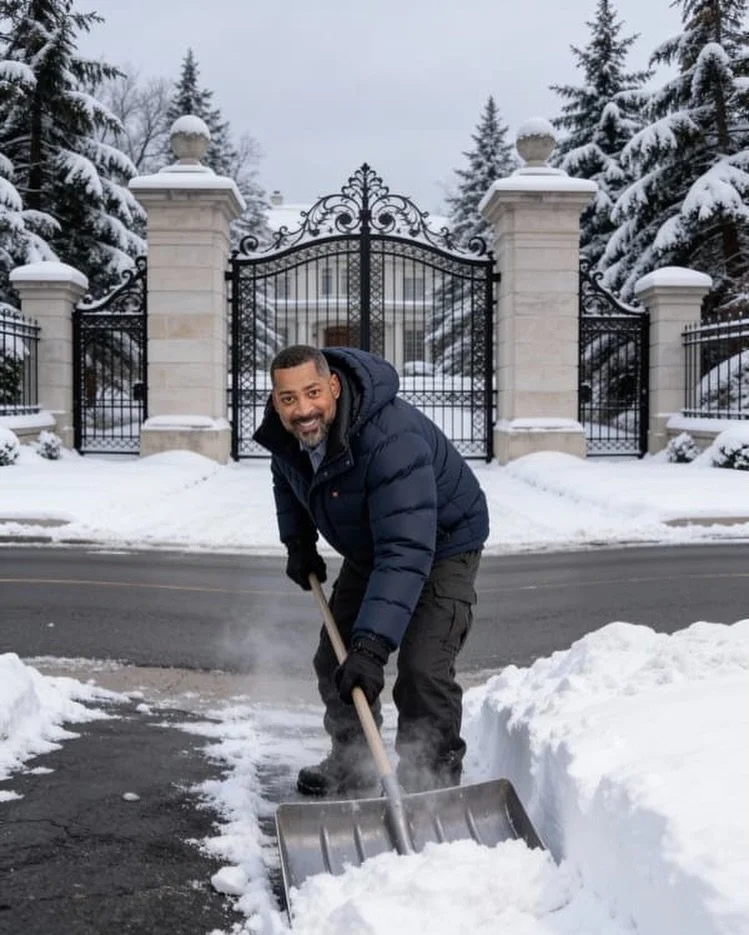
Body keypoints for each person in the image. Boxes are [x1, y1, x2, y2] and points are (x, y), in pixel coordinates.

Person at [253, 344, 489, 796]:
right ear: (275, 399)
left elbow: (406, 548)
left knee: (422, 668)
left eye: (313, 392)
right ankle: (354, 760)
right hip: (372, 544)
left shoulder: (389, 438)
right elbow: (287, 477)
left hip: (442, 542)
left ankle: (432, 778)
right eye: (288, 399)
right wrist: (298, 542)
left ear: (334, 387)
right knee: (336, 658)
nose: (303, 409)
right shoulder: (287, 434)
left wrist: (373, 647)